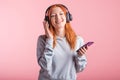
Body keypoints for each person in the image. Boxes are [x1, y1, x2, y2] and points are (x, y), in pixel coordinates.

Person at [37, 4, 87, 80]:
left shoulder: (78, 40)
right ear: (48, 20)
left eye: (61, 14)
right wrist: (50, 39)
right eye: (53, 16)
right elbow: (45, 66)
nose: (58, 18)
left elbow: (80, 69)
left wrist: (80, 56)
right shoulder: (43, 39)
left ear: (67, 17)